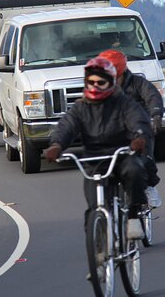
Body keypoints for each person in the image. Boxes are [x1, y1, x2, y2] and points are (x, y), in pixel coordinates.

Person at [44, 57, 151, 239]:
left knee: (134, 171)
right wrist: (57, 145)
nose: (95, 86)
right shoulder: (80, 107)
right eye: (90, 82)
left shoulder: (124, 103)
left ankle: (133, 216)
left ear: (110, 82)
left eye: (100, 82)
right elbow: (66, 126)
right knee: (94, 208)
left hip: (122, 155)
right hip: (94, 160)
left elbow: (138, 120)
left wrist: (139, 136)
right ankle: (99, 254)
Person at [99, 49, 163, 208]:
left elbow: (152, 95)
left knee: (144, 155)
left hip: (137, 129)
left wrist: (156, 115)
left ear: (121, 72)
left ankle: (149, 187)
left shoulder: (138, 83)